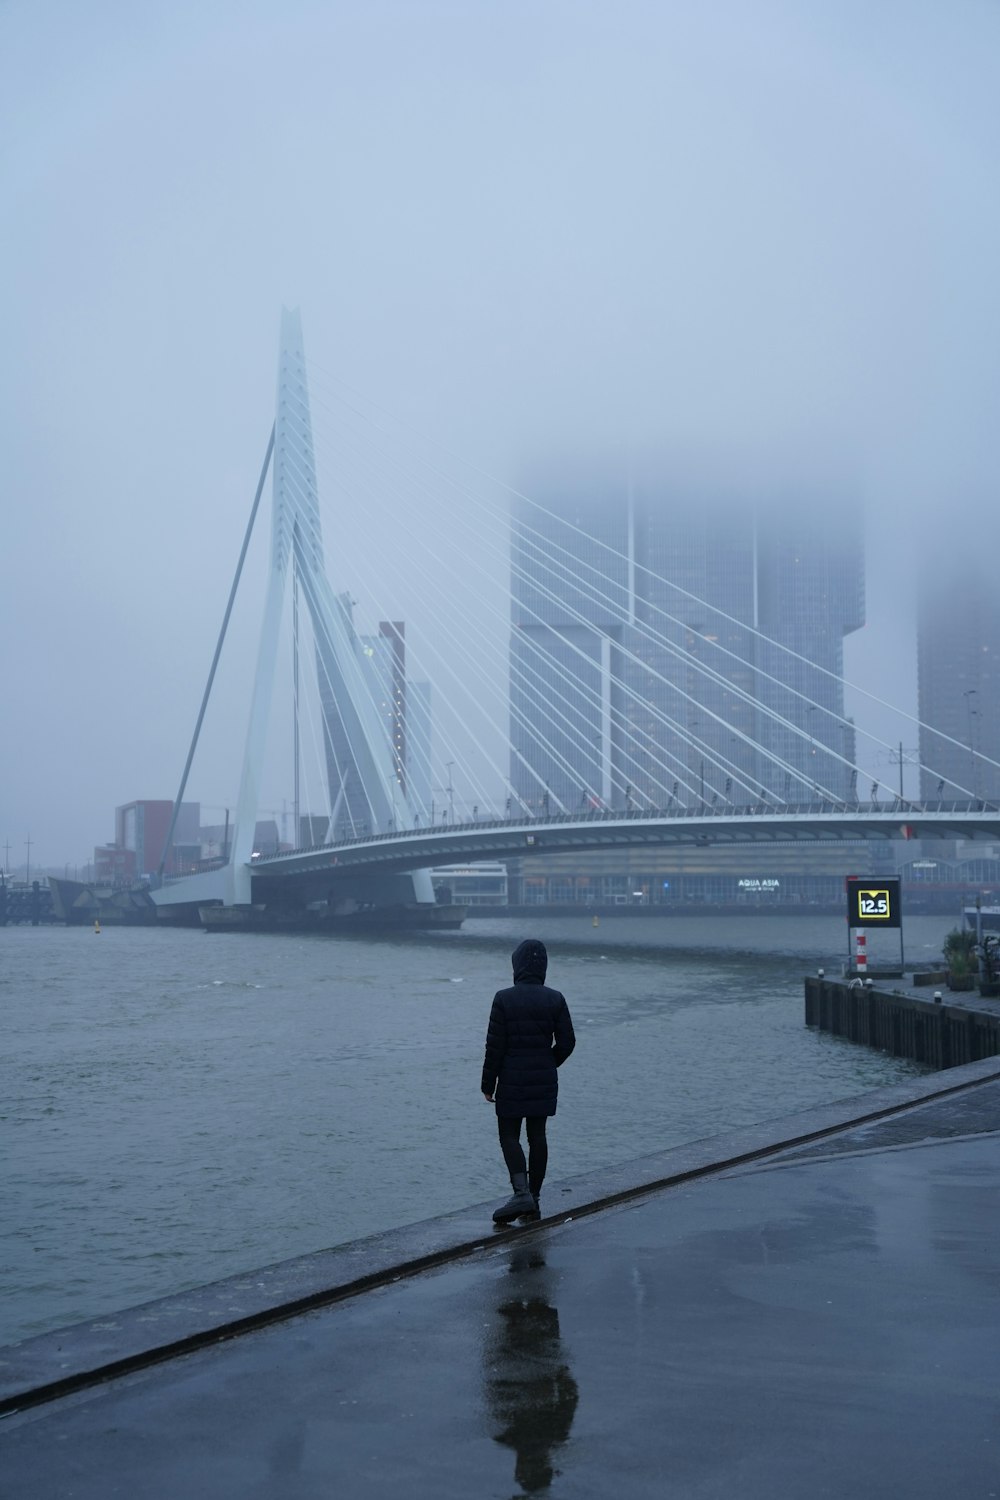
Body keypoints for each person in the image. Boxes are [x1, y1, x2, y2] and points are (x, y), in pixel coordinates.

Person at [481, 939, 576, 1224]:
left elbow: (494, 1046)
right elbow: (568, 1042)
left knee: (509, 1135)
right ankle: (532, 1198)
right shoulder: (555, 998)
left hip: (510, 1078)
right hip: (543, 1078)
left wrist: (488, 1084)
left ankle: (520, 1192)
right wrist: (548, 1062)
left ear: (517, 966)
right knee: (538, 1136)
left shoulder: (503, 998)